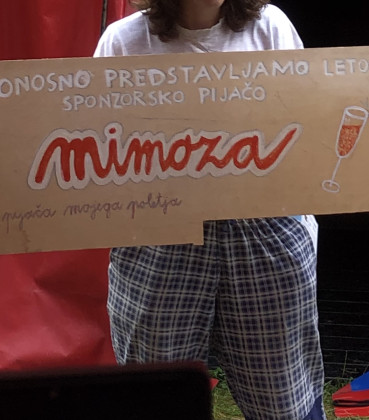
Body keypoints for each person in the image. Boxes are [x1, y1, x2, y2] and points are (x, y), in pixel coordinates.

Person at [94, 1, 325, 419]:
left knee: (285, 399)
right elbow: (95, 145)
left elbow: (312, 126)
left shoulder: (270, 27)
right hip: (159, 238)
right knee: (155, 395)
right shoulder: (125, 41)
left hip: (265, 234)